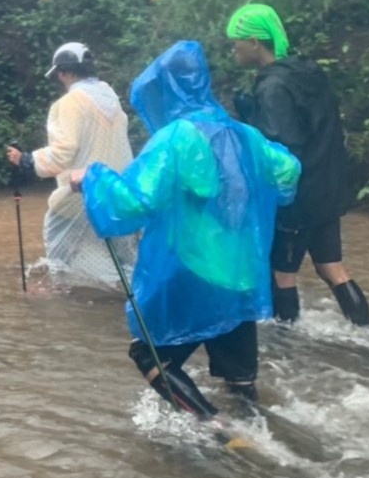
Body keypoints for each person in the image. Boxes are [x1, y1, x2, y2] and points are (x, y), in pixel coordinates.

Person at [69, 41, 300, 417]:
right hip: (242, 272)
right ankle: (254, 439)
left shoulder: (177, 138)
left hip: (196, 268)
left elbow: (133, 202)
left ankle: (212, 427)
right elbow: (289, 171)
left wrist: (92, 178)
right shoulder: (244, 134)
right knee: (239, 379)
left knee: (149, 354)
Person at [226, 3, 369, 327]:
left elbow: (283, 147)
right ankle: (366, 335)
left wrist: (250, 118)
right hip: (328, 186)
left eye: (236, 41)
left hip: (299, 196)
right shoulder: (307, 71)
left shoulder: (272, 86)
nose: (232, 49)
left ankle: (287, 350)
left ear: (254, 41)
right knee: (331, 267)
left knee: (283, 274)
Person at [6, 42, 135, 286]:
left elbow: (63, 152)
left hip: (81, 190)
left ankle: (61, 291)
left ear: (64, 72)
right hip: (117, 188)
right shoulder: (110, 97)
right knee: (123, 253)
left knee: (57, 234)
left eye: (58, 74)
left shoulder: (69, 103)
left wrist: (26, 160)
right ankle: (134, 294)